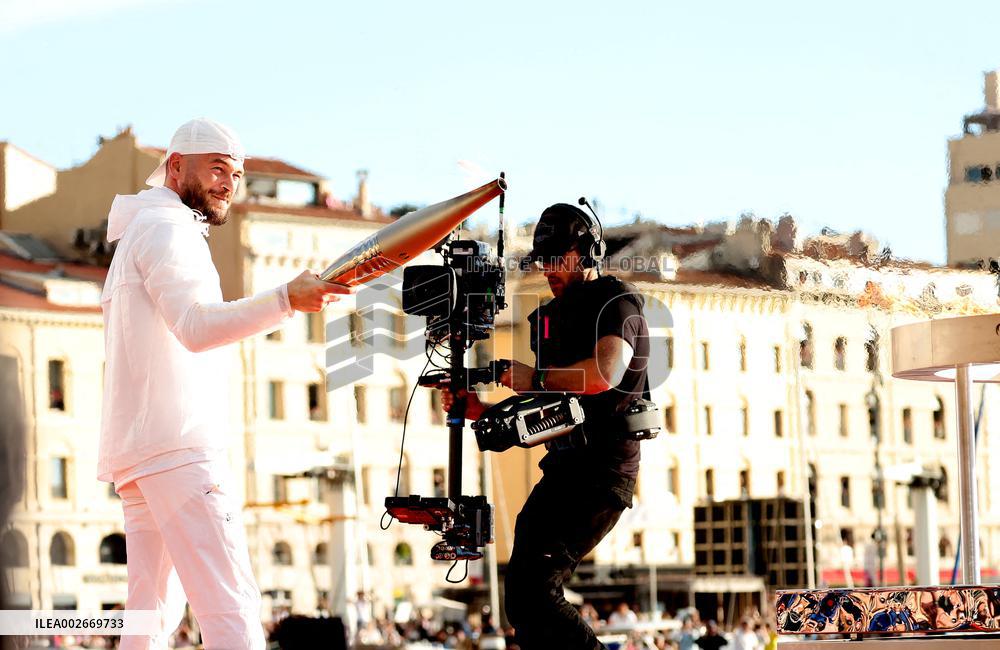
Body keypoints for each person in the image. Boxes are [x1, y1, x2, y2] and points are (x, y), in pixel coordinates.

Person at [98, 118, 350, 650]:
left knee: (149, 617)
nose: (228, 184)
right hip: (179, 450)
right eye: (216, 169)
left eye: (235, 174)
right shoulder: (167, 229)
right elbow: (195, 326)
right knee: (231, 605)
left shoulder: (141, 230)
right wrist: (286, 299)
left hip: (142, 454)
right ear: (174, 167)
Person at [443, 203, 651, 649]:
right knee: (521, 600)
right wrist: (481, 411)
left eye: (558, 257)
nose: (547, 268)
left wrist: (532, 377)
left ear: (587, 252)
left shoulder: (616, 301)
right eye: (542, 259)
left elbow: (604, 374)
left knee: (537, 590)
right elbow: (550, 409)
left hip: (601, 472)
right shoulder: (551, 318)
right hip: (565, 469)